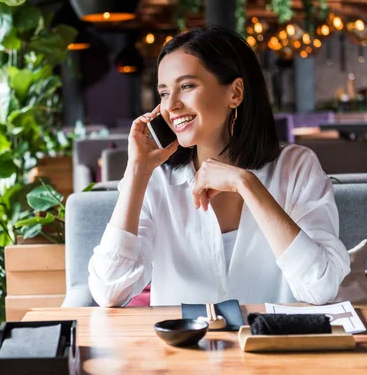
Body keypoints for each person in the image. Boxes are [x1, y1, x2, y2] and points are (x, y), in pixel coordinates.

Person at [88, 27, 350, 307]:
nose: (172, 105)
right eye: (164, 93)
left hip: (272, 343)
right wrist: (137, 173)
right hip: (183, 349)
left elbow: (322, 287)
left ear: (235, 93)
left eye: (187, 86)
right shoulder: (157, 180)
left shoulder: (296, 167)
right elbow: (109, 292)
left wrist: (246, 185)